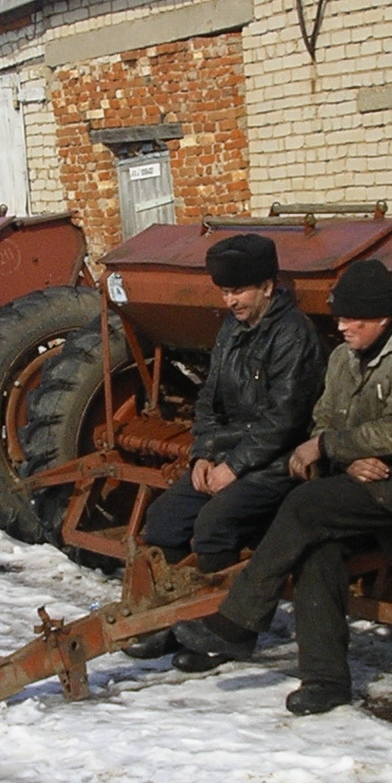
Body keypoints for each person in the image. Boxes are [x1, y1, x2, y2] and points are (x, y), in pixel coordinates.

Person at [173, 259, 392, 715]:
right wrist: (341, 451)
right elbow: (323, 418)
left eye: (352, 320)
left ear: (383, 319)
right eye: (339, 318)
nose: (341, 328)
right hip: (352, 479)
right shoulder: (345, 356)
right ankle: (325, 680)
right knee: (316, 549)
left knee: (305, 505)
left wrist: (329, 446)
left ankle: (241, 619)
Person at [126, 234, 323, 666]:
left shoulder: (294, 337)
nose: (230, 300)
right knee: (166, 517)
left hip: (276, 462)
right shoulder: (232, 330)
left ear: (268, 287)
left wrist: (233, 467)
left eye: (238, 291)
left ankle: (224, 631)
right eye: (225, 291)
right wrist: (202, 454)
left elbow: (284, 420)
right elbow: (209, 399)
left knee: (216, 522)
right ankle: (180, 621)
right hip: (228, 457)